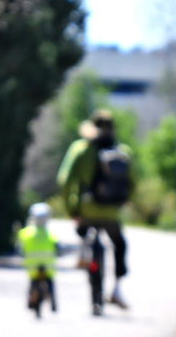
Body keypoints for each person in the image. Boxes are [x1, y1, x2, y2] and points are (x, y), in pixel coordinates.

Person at [57, 108, 134, 313]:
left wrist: (72, 209)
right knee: (119, 244)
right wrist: (124, 202)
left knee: (85, 235)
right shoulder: (122, 151)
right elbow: (132, 184)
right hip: (111, 213)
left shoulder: (80, 149)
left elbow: (65, 181)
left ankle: (84, 253)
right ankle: (116, 289)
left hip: (87, 211)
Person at [17, 202, 57, 316]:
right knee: (50, 283)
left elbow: (19, 248)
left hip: (32, 268)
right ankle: (53, 303)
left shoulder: (25, 233)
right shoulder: (50, 234)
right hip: (48, 267)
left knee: (32, 284)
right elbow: (59, 248)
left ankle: (30, 301)